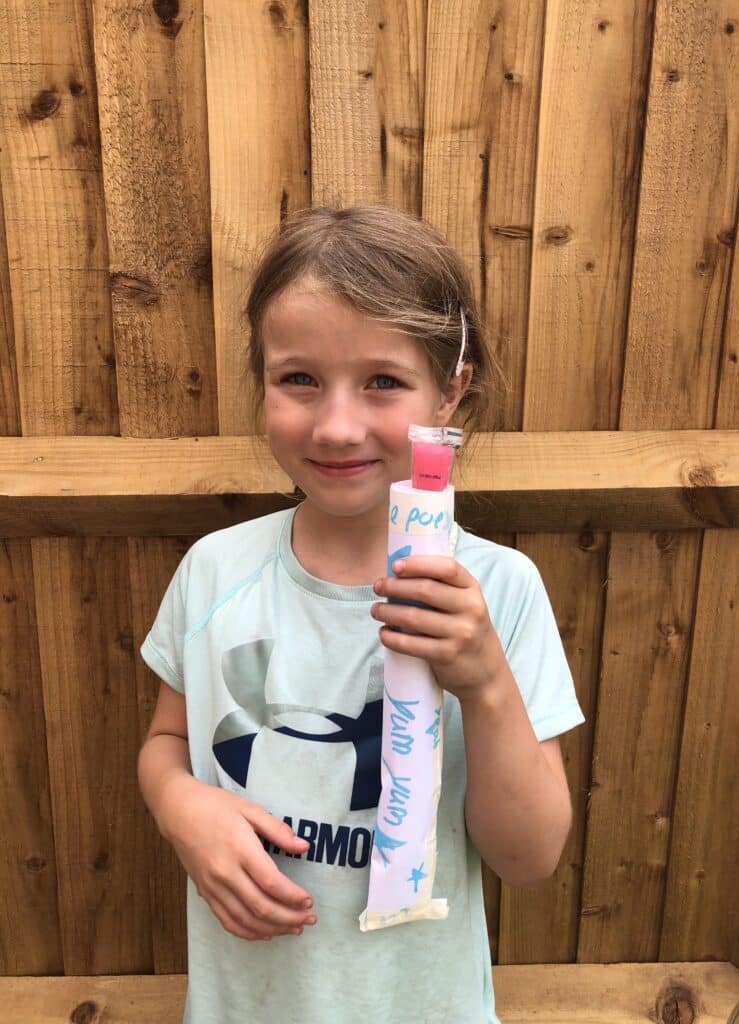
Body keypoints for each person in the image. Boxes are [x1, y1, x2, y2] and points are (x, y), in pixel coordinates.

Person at [138, 204, 586, 1023]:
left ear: (451, 393)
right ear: (262, 381)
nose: (337, 425)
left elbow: (528, 859)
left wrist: (485, 682)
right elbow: (168, 742)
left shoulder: (501, 589)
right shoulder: (213, 573)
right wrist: (180, 806)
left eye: (383, 381)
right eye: (298, 378)